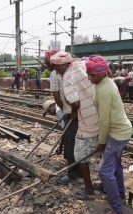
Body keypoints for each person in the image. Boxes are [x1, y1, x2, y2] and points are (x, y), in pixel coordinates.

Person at [83, 55, 132, 214]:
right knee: (115, 165)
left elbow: (104, 121)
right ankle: (121, 197)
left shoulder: (104, 88)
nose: (90, 78)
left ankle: (117, 208)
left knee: (104, 171)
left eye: (93, 75)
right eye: (88, 74)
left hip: (117, 132)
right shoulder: (104, 82)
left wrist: (102, 143)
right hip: (120, 130)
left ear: (103, 72)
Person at [51, 51, 99, 200]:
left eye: (57, 67)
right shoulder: (80, 66)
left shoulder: (67, 78)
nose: (56, 70)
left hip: (84, 117)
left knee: (77, 151)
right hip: (96, 112)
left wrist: (72, 111)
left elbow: (75, 102)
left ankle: (86, 186)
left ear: (65, 64)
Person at [45, 49, 79, 185]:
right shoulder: (74, 69)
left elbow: (57, 97)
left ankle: (73, 174)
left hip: (70, 111)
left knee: (71, 143)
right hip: (77, 110)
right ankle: (78, 170)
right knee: (77, 141)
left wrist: (67, 110)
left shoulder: (54, 74)